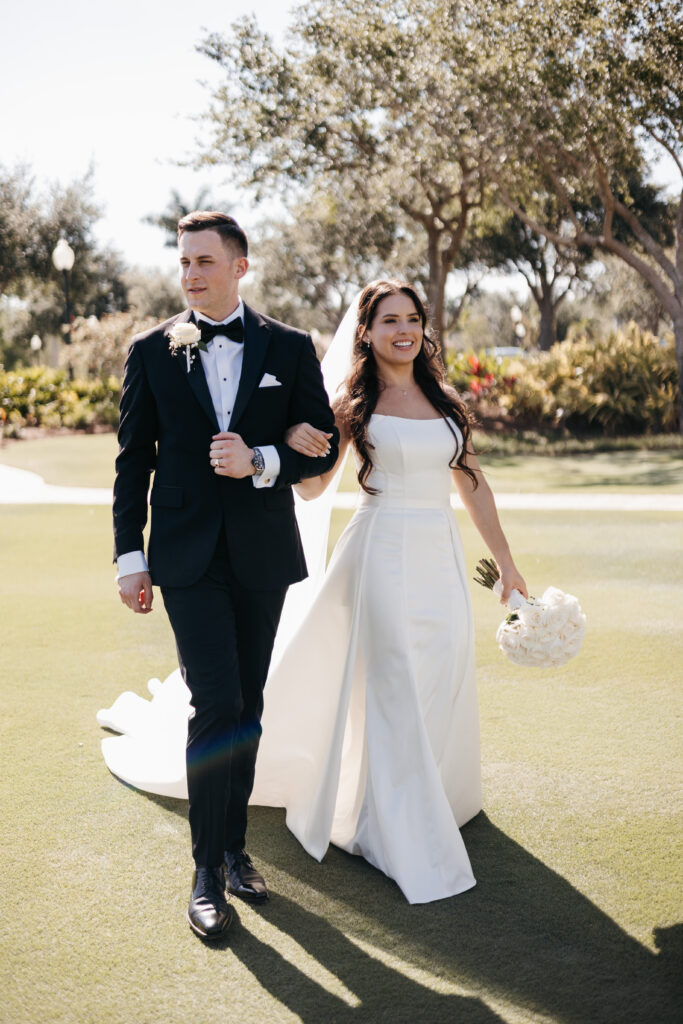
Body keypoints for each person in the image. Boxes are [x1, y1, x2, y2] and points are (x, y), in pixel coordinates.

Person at [101, 278, 526, 905]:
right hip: (380, 554)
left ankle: (422, 795)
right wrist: (295, 448)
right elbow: (310, 487)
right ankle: (396, 831)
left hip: (439, 556)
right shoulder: (351, 402)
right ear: (367, 333)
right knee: (393, 682)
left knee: (439, 673)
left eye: (412, 319)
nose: (403, 330)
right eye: (388, 321)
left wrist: (508, 566)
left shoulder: (445, 401)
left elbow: (473, 483)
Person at [111, 211, 339, 939]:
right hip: (183, 559)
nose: (191, 274)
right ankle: (207, 869)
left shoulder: (290, 346)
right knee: (214, 701)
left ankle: (237, 849)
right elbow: (131, 465)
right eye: (183, 263)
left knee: (245, 706)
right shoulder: (150, 350)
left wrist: (264, 460)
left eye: (205, 261)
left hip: (262, 554)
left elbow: (321, 447)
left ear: (240, 265)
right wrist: (129, 557)